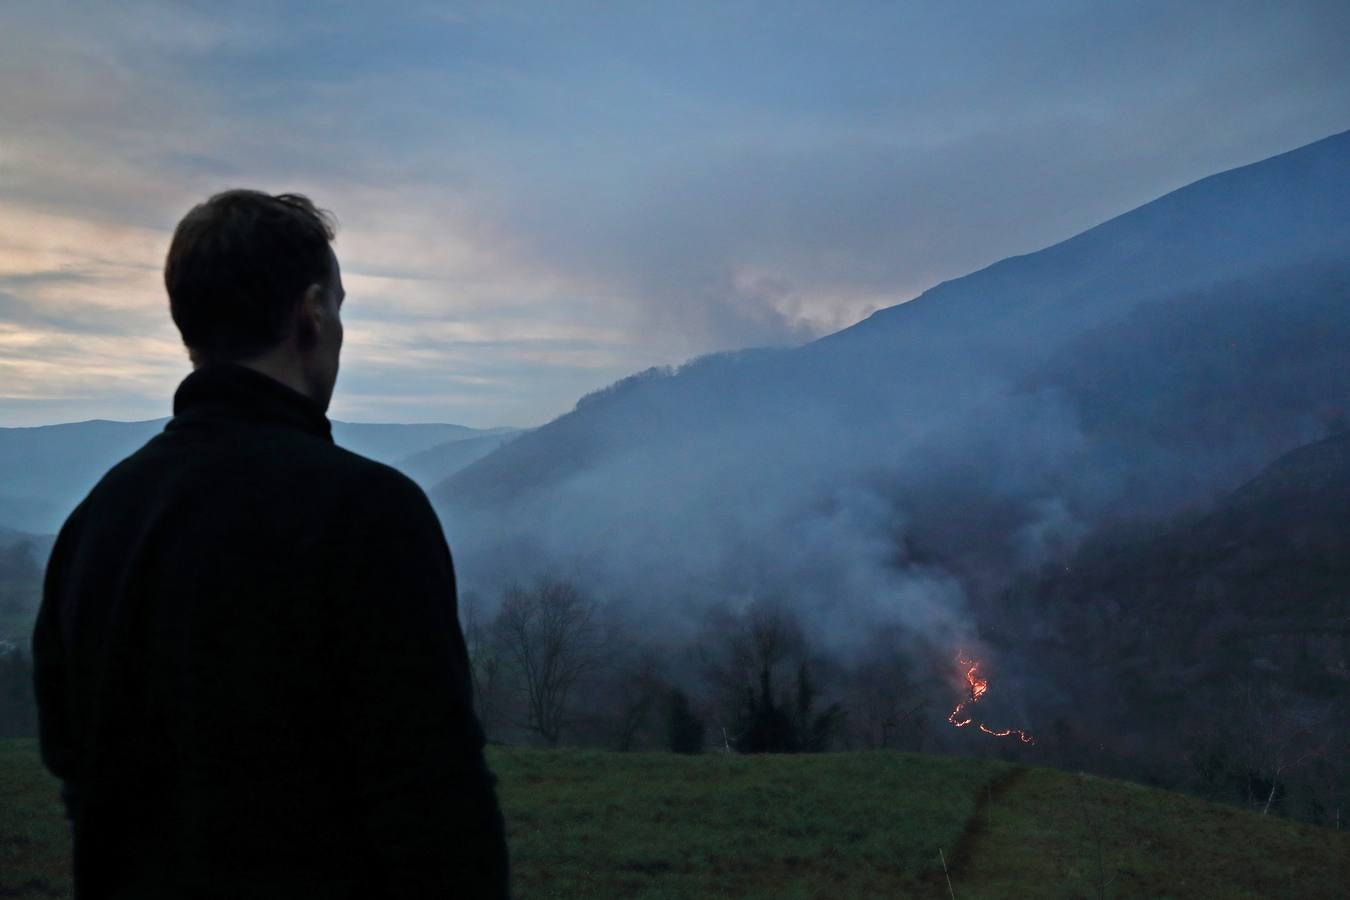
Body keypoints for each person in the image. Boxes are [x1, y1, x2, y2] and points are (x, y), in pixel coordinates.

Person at [31, 190, 511, 898]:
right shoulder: (370, 513)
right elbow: (435, 804)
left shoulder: (98, 520)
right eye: (340, 307)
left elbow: (75, 767)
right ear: (311, 313)